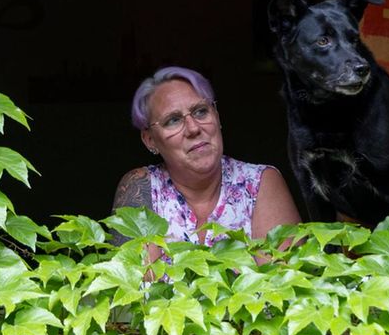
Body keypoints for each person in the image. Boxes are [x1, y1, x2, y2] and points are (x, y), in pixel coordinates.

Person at [112, 66, 300, 245]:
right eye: (173, 120)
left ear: (217, 116)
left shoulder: (259, 183)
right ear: (150, 139)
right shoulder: (141, 186)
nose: (194, 128)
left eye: (201, 111)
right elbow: (136, 277)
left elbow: (281, 276)